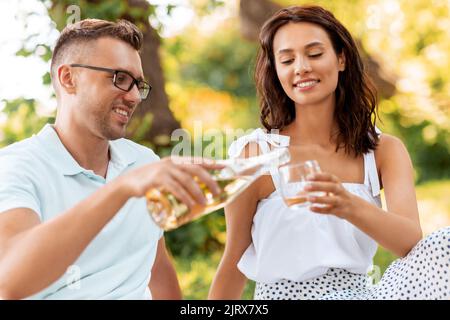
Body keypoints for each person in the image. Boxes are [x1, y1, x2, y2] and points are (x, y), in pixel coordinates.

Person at [209, 5, 450, 300]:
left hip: (362, 295)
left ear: (341, 58)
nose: (301, 68)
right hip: (286, 297)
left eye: (314, 54)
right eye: (287, 59)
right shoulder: (255, 154)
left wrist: (347, 204)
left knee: (445, 244)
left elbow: (410, 243)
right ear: (276, 70)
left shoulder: (383, 150)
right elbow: (234, 258)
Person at [0, 19, 223, 300]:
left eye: (138, 85)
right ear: (68, 78)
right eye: (119, 78)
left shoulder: (143, 162)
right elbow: (9, 281)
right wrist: (121, 189)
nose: (133, 97)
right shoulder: (15, 167)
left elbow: (157, 269)